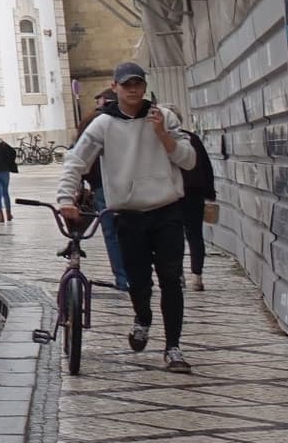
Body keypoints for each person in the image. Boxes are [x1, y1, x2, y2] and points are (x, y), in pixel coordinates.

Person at [57, 61, 198, 373]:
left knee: (171, 279)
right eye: (126, 84)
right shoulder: (103, 124)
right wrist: (65, 199)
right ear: (115, 87)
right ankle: (143, 318)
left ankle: (173, 347)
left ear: (144, 86)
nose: (133, 89)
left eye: (137, 84)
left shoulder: (164, 117)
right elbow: (76, 160)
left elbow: (188, 161)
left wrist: (163, 134)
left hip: (166, 210)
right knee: (138, 280)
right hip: (129, 214)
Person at [82, 87, 131, 293]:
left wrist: (81, 183)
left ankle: (122, 278)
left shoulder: (90, 121)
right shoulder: (125, 121)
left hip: (100, 185)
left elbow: (79, 157)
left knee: (111, 233)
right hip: (125, 182)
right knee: (131, 229)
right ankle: (137, 274)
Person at [179, 125, 217, 291]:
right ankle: (197, 276)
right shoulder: (192, 138)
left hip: (173, 195)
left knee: (174, 237)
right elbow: (206, 167)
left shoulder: (162, 140)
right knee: (195, 235)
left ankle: (178, 274)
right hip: (194, 194)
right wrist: (209, 193)